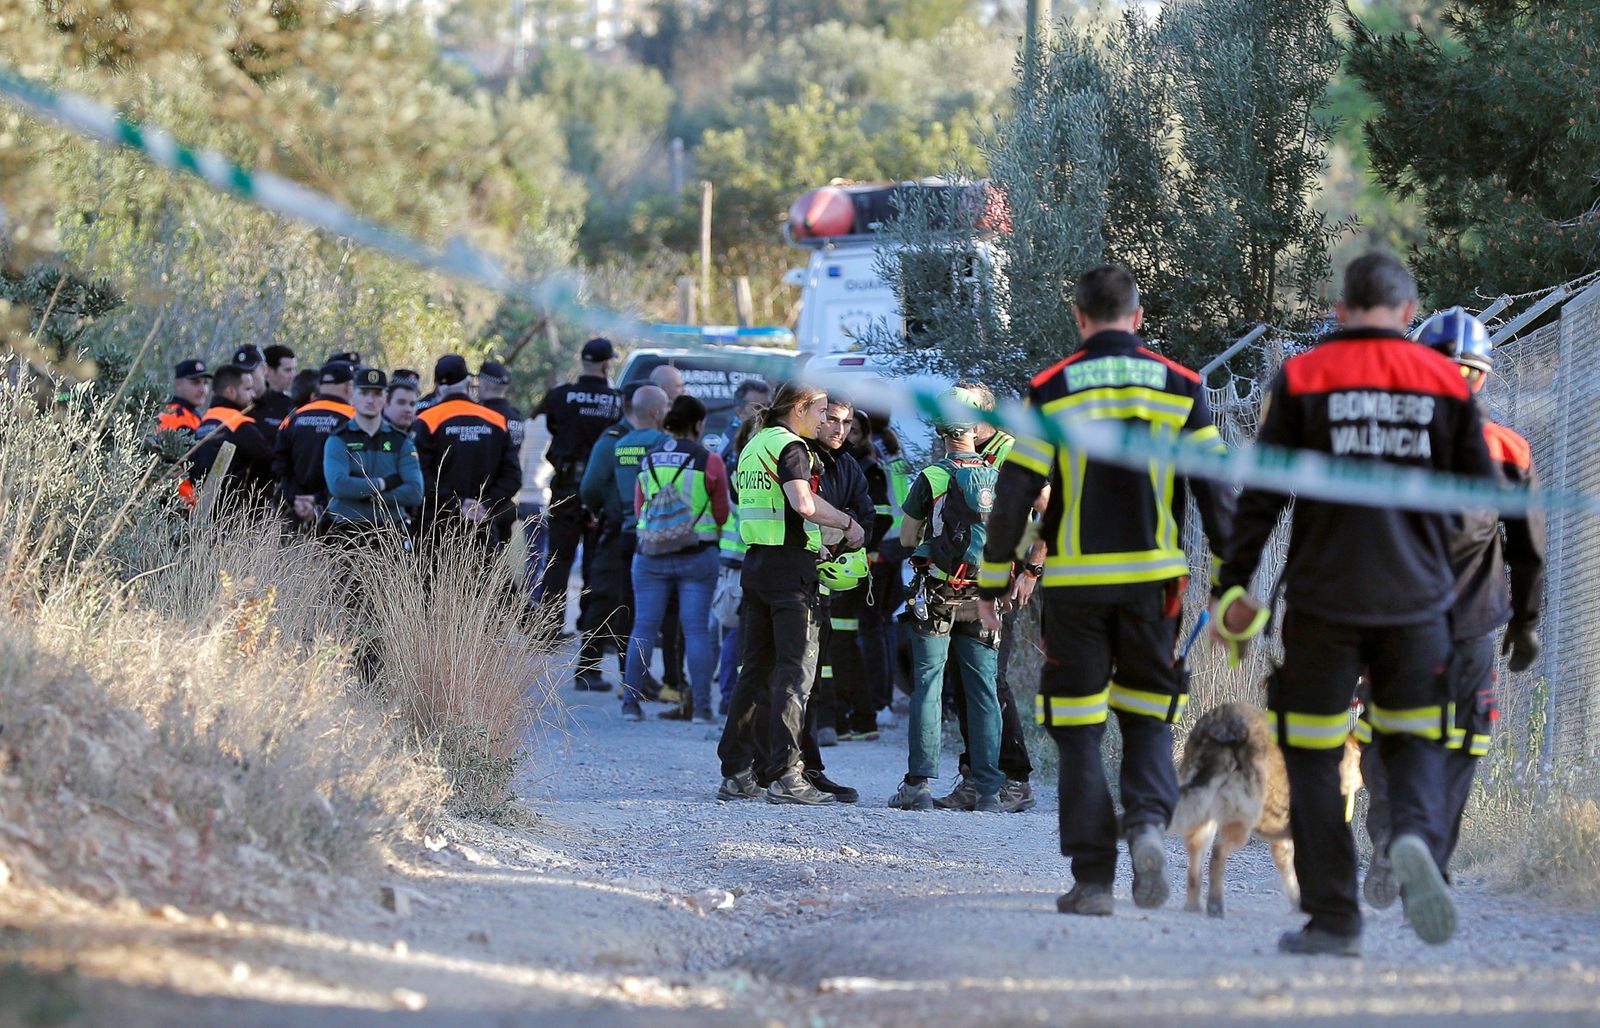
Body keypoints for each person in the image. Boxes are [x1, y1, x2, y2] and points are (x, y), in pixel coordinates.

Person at [1214, 253, 1496, 956]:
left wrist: (1233, 590)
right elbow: (1483, 505)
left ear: (1340, 311)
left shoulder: (1304, 377)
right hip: (1418, 608)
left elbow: (1261, 498)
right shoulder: (1444, 381)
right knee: (1414, 742)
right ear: (1408, 314)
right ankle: (1411, 838)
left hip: (1323, 605)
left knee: (1312, 759)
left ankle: (1335, 918)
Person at [978, 263, 1234, 918]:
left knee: (1078, 729)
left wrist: (993, 576)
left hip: (1076, 588)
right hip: (1156, 584)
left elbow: (1013, 493)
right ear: (1139, 318)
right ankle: (1146, 827)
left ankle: (1093, 881)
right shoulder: (1182, 386)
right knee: (1149, 717)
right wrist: (1231, 578)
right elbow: (1215, 488)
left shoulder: (1052, 388)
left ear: (1080, 319)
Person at [1360, 307, 1546, 907]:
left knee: (1384, 736)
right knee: (1465, 744)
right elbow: (1529, 550)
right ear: (1483, 377)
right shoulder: (1509, 448)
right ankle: (1432, 857)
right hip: (1473, 627)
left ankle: (1390, 841)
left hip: (1394, 623)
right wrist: (1526, 621)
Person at [716, 382, 865, 806]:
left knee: (756, 671)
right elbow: (803, 503)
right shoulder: (791, 447)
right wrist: (847, 523)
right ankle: (785, 774)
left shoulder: (754, 443)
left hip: (758, 566)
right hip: (790, 570)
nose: (824, 420)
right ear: (799, 408)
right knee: (794, 672)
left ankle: (737, 772)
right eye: (820, 411)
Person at [890, 387, 1008, 813]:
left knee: (929, 686)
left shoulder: (934, 476)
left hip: (937, 593)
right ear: (977, 430)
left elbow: (906, 537)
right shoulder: (1001, 477)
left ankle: (918, 785)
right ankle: (990, 790)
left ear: (941, 429)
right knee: (982, 691)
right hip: (985, 598)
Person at [939, 380, 1041, 813]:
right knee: (965, 679)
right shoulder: (960, 449)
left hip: (1003, 580)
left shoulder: (1011, 452)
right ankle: (975, 773)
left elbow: (1046, 514)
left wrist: (1032, 570)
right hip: (965, 583)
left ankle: (1014, 776)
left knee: (991, 679)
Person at [624, 394, 730, 724]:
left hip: (650, 554)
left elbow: (639, 509)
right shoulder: (710, 461)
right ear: (698, 424)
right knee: (697, 631)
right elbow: (722, 512)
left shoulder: (650, 459)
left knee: (643, 628)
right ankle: (701, 708)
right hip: (697, 555)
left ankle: (631, 705)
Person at [798, 397, 877, 802]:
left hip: (828, 585)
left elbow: (867, 517)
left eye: (846, 422)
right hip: (790, 579)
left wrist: (840, 524)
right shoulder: (798, 455)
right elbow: (804, 513)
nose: (840, 429)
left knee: (810, 677)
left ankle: (807, 768)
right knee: (785, 677)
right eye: (832, 420)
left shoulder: (847, 465)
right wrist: (838, 523)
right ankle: (769, 767)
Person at [579, 385, 669, 700]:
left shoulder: (629, 440)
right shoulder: (615, 440)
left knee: (625, 604)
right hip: (620, 530)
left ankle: (632, 675)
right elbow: (589, 486)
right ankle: (591, 669)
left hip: (629, 530)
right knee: (612, 600)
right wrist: (608, 509)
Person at [533, 338, 625, 633]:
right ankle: (592, 629)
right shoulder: (618, 400)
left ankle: (547, 629)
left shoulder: (560, 396)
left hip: (565, 488)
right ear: (607, 364)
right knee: (596, 564)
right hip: (601, 492)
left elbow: (549, 427)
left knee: (558, 561)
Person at [410, 354, 521, 547]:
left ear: (437, 386)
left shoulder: (426, 421)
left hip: (436, 529)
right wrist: (484, 504)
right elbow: (512, 476)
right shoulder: (495, 420)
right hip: (482, 525)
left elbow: (419, 475)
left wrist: (456, 503)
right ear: (468, 382)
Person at [323, 367, 423, 536]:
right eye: (364, 393)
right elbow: (339, 486)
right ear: (353, 396)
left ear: (385, 397)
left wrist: (363, 492)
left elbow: (415, 492)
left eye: (377, 394)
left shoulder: (402, 441)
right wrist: (383, 484)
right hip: (346, 531)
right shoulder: (338, 439)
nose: (370, 400)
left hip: (390, 531)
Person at [273, 360, 356, 530]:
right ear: (348, 387)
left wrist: (295, 497)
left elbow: (279, 465)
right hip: (336, 515)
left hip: (294, 511)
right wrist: (319, 500)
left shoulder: (293, 417)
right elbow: (358, 467)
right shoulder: (355, 419)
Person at [190, 364, 275, 501]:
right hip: (232, 513)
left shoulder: (204, 423)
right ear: (231, 391)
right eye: (247, 389)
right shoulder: (239, 424)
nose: (252, 395)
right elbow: (269, 460)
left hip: (200, 511)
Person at [476, 359, 527, 544]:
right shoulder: (517, 417)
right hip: (506, 498)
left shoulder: (481, 415)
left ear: (486, 383)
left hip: (481, 501)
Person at [155, 358, 210, 435]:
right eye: (195, 382)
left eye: (205, 383)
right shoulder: (177, 415)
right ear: (178, 384)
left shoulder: (188, 413)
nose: (203, 389)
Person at [255, 345, 298, 435]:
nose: (292, 375)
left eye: (294, 369)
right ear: (268, 370)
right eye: (287, 370)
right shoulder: (248, 402)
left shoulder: (292, 404)